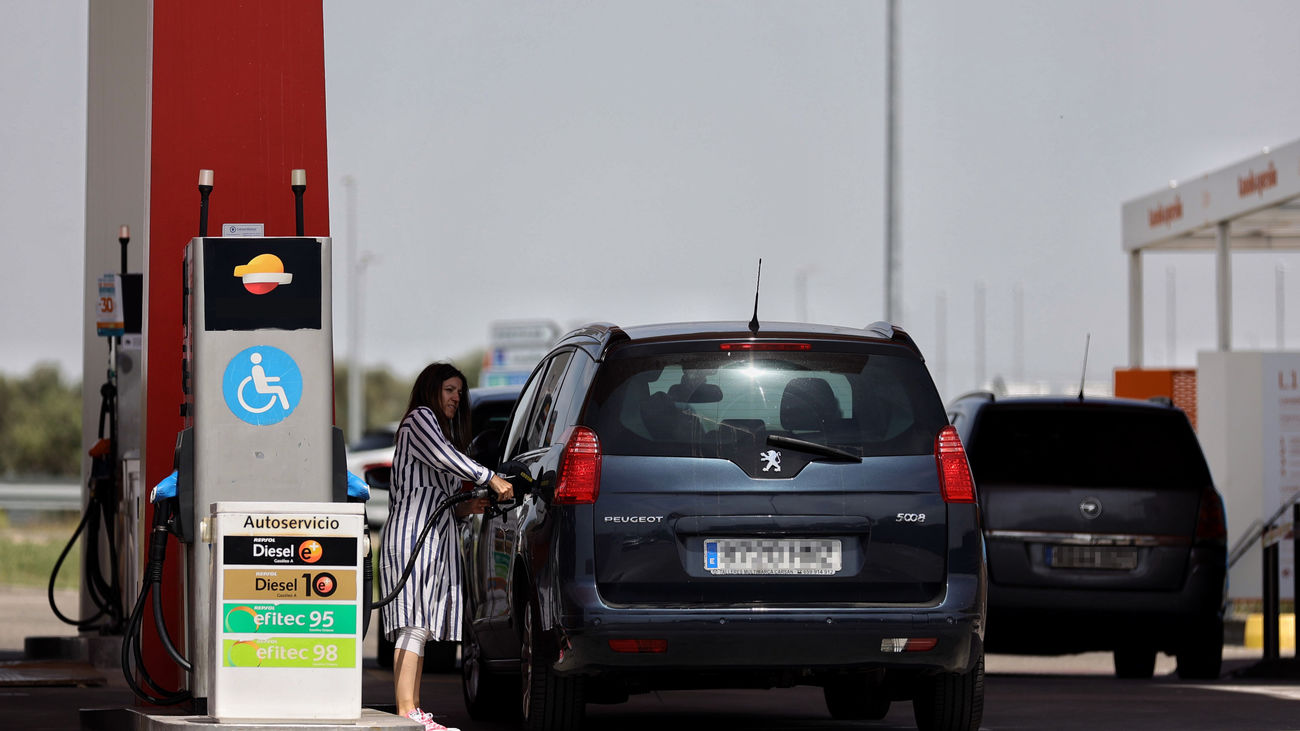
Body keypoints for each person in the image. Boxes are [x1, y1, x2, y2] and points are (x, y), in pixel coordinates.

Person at [378, 362, 513, 731]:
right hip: (411, 534)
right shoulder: (420, 419)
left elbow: (444, 495)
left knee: (419, 626)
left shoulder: (439, 430)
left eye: (459, 392)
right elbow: (444, 458)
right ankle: (407, 712)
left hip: (433, 535)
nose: (455, 398)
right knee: (412, 625)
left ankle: (414, 711)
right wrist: (491, 477)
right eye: (449, 390)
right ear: (431, 390)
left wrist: (468, 506)